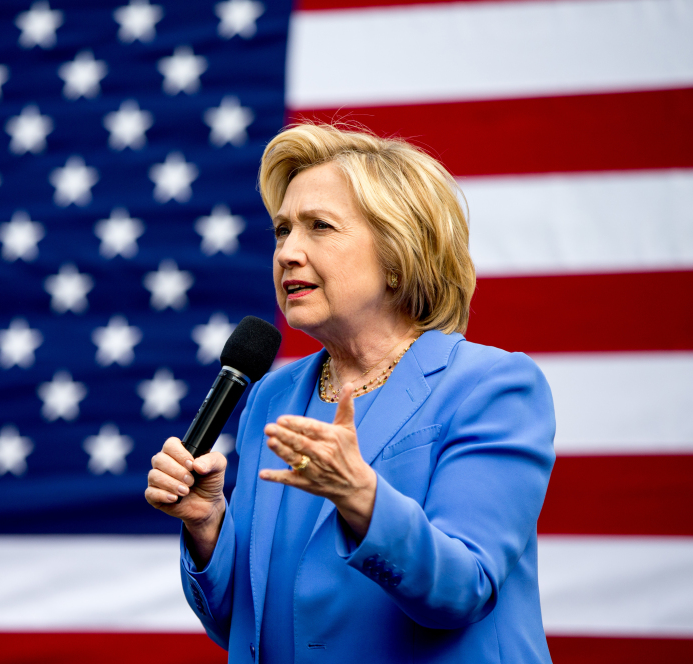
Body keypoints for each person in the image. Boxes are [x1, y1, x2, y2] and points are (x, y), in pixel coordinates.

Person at [145, 124, 556, 663]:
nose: (288, 251)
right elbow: (246, 627)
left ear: (398, 252)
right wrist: (207, 525)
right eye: (281, 230)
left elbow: (464, 590)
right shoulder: (272, 396)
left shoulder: (491, 387)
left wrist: (361, 496)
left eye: (320, 227)